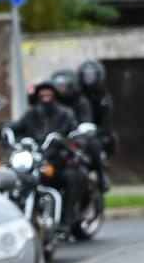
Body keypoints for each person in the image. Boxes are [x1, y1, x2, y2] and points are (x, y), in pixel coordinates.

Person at [12, 78, 89, 229]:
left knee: (75, 176)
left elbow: (76, 134)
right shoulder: (31, 114)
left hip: (57, 161)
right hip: (35, 160)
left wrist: (72, 143)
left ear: (55, 95)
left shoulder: (66, 114)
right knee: (12, 174)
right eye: (43, 93)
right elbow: (16, 126)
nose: (46, 96)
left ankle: (66, 218)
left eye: (49, 93)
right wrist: (2, 130)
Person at [77, 60, 115, 192]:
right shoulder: (77, 95)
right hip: (77, 130)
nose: (89, 78)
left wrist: (101, 132)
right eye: (86, 75)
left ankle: (100, 174)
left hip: (96, 131)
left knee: (95, 146)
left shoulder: (103, 96)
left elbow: (106, 120)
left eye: (92, 75)